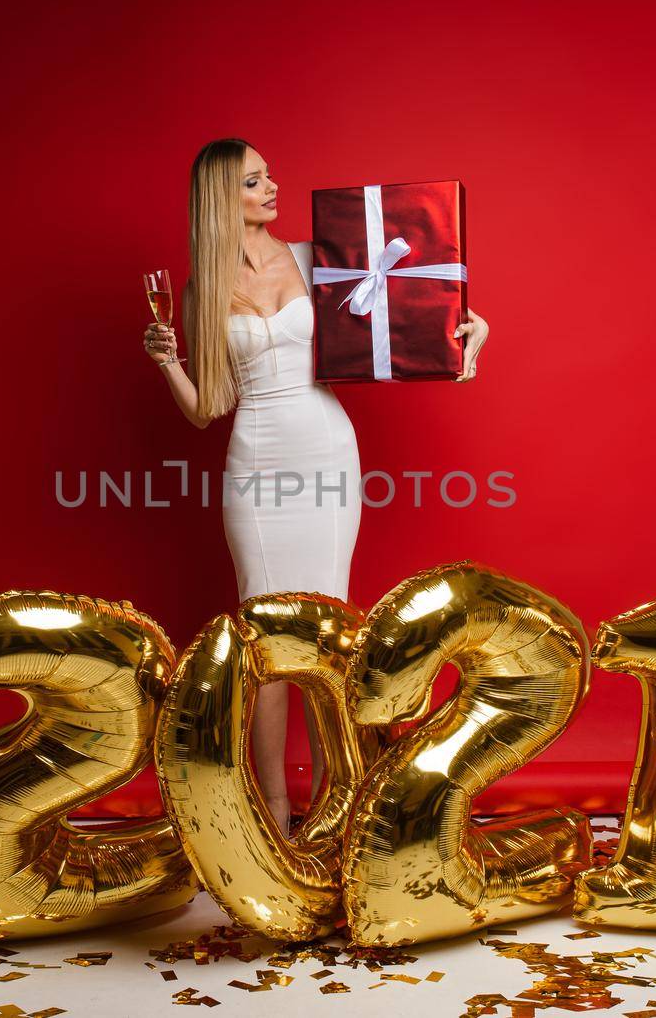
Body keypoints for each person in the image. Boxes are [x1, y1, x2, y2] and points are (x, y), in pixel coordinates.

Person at [142, 137, 490, 832]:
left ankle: (340, 799)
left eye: (270, 174)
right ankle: (271, 807)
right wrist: (166, 360)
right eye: (253, 181)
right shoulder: (200, 288)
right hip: (254, 456)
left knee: (333, 631)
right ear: (220, 197)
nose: (273, 187)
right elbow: (208, 407)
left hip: (326, 447)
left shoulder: (317, 257)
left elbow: (396, 322)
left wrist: (463, 339)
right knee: (265, 640)